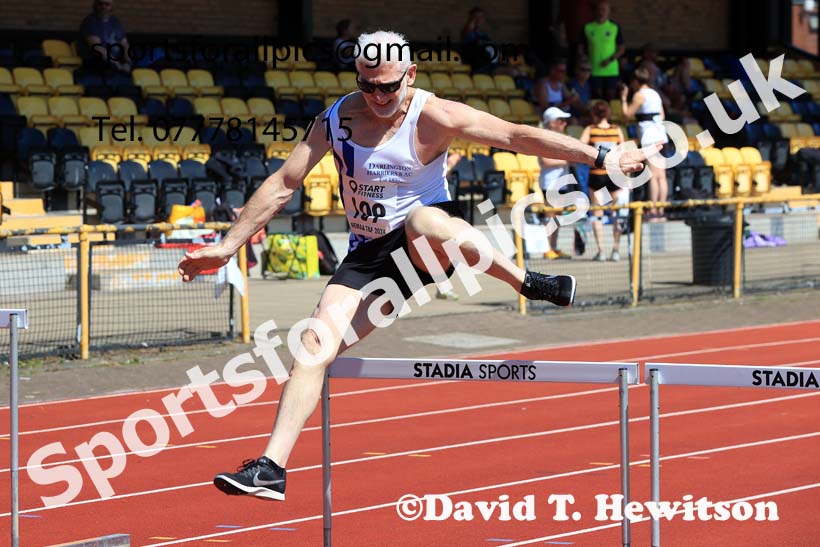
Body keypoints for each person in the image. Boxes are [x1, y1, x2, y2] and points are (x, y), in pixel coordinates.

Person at [177, 30, 653, 502]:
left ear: (411, 74)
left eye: (389, 85)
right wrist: (226, 247)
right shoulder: (337, 120)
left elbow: (514, 136)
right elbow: (285, 181)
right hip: (369, 258)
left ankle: (526, 281)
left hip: (429, 243)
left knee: (425, 217)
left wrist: (602, 155)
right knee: (313, 342)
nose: (379, 96)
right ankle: (272, 468)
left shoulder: (435, 115)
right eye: (368, 85)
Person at [621, 67, 668, 221]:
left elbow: (627, 115)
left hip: (649, 136)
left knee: (653, 176)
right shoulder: (655, 94)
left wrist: (623, 99)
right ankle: (661, 210)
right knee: (662, 176)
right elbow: (662, 114)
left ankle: (653, 210)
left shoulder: (639, 95)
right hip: (661, 133)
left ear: (636, 81)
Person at [580, 101, 625, 261]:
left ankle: (601, 251)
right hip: (614, 175)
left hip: (597, 175)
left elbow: (582, 147)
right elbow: (622, 151)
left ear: (593, 114)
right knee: (616, 214)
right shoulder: (616, 130)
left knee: (597, 213)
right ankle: (616, 250)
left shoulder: (590, 130)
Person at [538, 107, 574, 259]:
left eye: (564, 121)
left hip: (562, 183)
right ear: (550, 123)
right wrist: (566, 161)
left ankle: (553, 247)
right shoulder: (542, 139)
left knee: (557, 217)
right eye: (560, 121)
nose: (563, 124)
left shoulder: (563, 138)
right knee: (550, 216)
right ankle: (547, 248)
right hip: (550, 183)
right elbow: (544, 161)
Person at [578, 0, 625, 100]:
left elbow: (621, 49)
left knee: (611, 96)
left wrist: (610, 59)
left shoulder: (614, 27)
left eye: (604, 10)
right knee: (596, 96)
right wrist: (584, 58)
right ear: (595, 11)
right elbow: (580, 47)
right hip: (593, 69)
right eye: (599, 10)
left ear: (608, 12)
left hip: (611, 70)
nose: (601, 12)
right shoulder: (587, 27)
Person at [79, 0, 131, 73]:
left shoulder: (115, 21)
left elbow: (125, 44)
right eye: (100, 4)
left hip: (117, 61)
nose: (103, 7)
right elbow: (97, 48)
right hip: (99, 63)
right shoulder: (90, 22)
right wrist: (117, 65)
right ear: (95, 5)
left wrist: (128, 62)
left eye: (107, 4)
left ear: (112, 7)